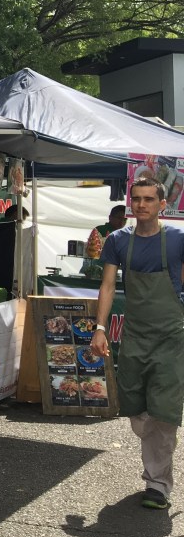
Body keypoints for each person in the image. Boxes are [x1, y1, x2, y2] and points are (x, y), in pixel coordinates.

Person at [91, 177, 184, 510]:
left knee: (164, 410)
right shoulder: (118, 240)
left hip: (172, 336)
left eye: (149, 199)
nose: (142, 204)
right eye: (137, 199)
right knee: (136, 410)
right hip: (134, 336)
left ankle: (157, 484)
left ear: (162, 205)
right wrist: (100, 328)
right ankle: (157, 453)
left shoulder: (178, 240)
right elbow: (107, 286)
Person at [83, 204, 128, 279]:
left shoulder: (124, 234)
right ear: (110, 217)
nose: (122, 222)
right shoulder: (100, 230)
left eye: (125, 219)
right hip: (96, 269)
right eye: (119, 218)